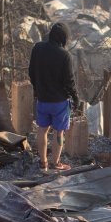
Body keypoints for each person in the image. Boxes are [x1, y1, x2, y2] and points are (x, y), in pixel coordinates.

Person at [28, 22, 80, 171]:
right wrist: (76, 98)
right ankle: (55, 163)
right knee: (59, 132)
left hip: (42, 100)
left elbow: (31, 72)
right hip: (59, 103)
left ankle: (43, 162)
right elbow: (69, 81)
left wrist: (38, 89)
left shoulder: (37, 48)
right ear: (64, 38)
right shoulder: (65, 55)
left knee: (42, 130)